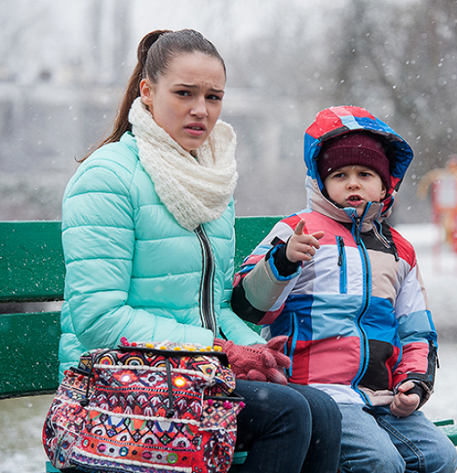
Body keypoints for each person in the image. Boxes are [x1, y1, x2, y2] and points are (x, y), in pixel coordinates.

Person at [59, 29, 341, 473]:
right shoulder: (108, 178)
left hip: (189, 375)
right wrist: (217, 351)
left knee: (322, 409)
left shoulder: (210, 180)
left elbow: (213, 308)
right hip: (119, 386)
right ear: (148, 93)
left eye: (213, 97)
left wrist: (253, 349)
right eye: (185, 93)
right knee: (286, 413)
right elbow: (97, 320)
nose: (200, 110)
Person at [231, 106, 457, 473]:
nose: (353, 183)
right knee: (380, 462)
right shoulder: (298, 230)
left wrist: (414, 384)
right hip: (320, 394)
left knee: (440, 458)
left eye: (365, 174)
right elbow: (249, 307)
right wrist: (283, 262)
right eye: (340, 174)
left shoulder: (398, 249)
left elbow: (416, 329)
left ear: (386, 185)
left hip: (382, 397)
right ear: (322, 183)